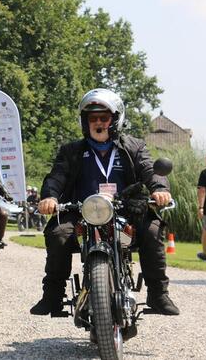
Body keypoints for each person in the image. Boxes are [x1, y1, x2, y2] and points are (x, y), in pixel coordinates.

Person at [30, 88, 179, 316]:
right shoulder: (71, 151)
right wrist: (49, 197)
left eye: (104, 118)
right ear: (85, 121)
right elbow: (56, 176)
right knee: (58, 233)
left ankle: (158, 294)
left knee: (152, 229)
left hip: (126, 209)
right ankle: (52, 296)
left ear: (116, 119)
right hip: (82, 211)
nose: (98, 123)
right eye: (93, 118)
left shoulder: (134, 147)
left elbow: (150, 170)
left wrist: (159, 189)